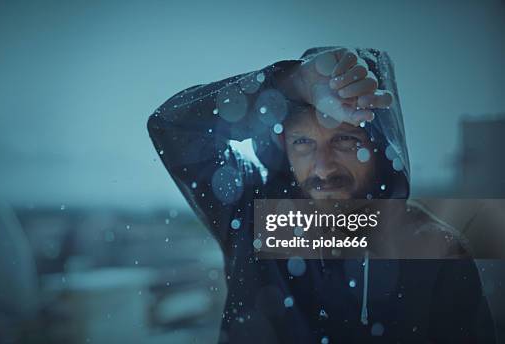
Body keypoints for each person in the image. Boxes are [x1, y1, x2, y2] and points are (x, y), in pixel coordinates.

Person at [147, 47, 496, 343]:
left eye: (345, 140)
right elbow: (172, 126)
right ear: (283, 146)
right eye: (303, 143)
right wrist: (289, 85)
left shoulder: (436, 249)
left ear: (380, 146)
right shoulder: (254, 214)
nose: (323, 168)